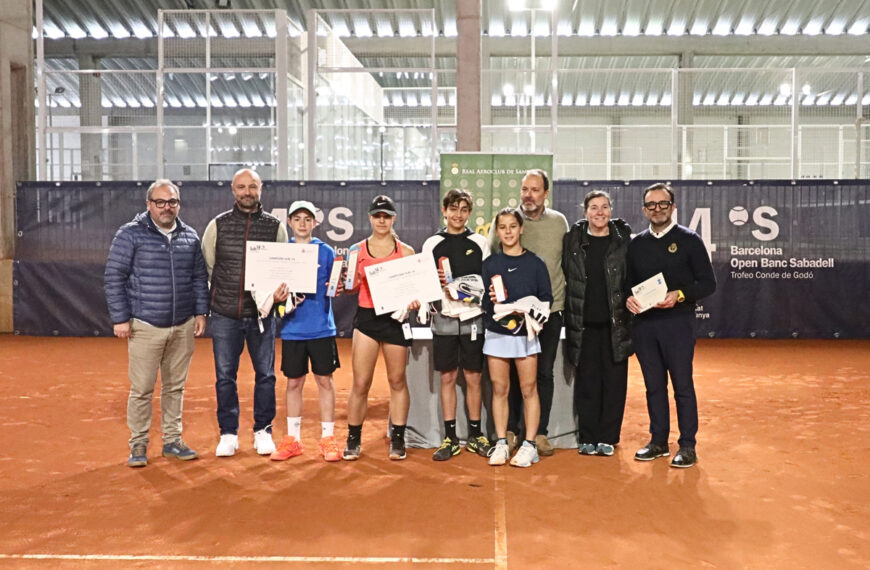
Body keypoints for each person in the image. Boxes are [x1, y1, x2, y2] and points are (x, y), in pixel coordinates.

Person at [105, 179, 209, 468]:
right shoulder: (129, 235)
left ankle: (172, 440)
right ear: (148, 204)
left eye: (172, 202)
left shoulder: (190, 236)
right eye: (160, 202)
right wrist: (120, 318)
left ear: (178, 204)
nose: (167, 207)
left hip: (183, 324)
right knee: (142, 389)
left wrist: (201, 312)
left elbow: (199, 278)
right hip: (145, 325)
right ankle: (138, 443)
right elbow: (114, 277)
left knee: (175, 387)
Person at [626, 183, 716, 469]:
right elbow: (627, 284)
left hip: (678, 324)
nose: (657, 209)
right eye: (651, 205)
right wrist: (628, 299)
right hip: (645, 326)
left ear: (672, 207)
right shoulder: (636, 244)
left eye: (663, 204)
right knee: (654, 386)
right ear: (644, 210)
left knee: (682, 386)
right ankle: (658, 441)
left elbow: (707, 283)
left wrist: (677, 295)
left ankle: (687, 445)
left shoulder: (689, 240)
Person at [202, 168, 289, 457]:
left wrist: (274, 299)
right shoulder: (217, 225)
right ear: (233, 190)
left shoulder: (275, 227)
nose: (247, 192)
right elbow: (210, 268)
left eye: (252, 186)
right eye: (241, 187)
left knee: (265, 375)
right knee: (225, 376)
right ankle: (228, 433)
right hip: (225, 315)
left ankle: (263, 430)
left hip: (262, 317)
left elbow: (282, 271)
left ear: (260, 189)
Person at [487, 169, 568, 455]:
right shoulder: (507, 221)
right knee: (508, 374)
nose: (528, 195)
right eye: (524, 189)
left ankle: (539, 433)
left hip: (550, 311)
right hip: (509, 318)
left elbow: (565, 263)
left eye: (535, 190)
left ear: (546, 193)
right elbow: (491, 266)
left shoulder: (559, 222)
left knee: (542, 374)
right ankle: (508, 431)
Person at [343, 195, 420, 461]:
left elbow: (415, 291)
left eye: (387, 216)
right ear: (370, 218)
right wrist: (346, 279)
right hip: (367, 320)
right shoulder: (356, 251)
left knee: (397, 380)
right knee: (361, 382)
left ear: (394, 218)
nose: (382, 220)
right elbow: (350, 288)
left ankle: (398, 438)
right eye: (377, 216)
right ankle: (353, 439)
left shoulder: (406, 252)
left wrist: (413, 300)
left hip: (395, 320)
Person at [421, 189, 492, 461]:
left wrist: (467, 293)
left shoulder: (480, 243)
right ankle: (450, 437)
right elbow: (423, 284)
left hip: (473, 320)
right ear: (444, 210)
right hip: (444, 320)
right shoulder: (431, 244)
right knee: (448, 377)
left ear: (470, 213)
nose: (458, 214)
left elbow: (486, 284)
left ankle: (475, 435)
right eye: (453, 208)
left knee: (474, 377)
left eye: (463, 209)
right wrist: (435, 284)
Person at [270, 200, 342, 463]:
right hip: (292, 330)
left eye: (307, 219)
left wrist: (336, 285)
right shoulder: (281, 252)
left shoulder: (326, 252)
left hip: (322, 329)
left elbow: (335, 287)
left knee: (325, 381)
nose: (302, 223)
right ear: (289, 222)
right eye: (297, 218)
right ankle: (293, 439)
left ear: (314, 222)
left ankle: (328, 437)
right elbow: (272, 293)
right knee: (294, 383)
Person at [562, 190, 632, 457]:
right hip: (583, 325)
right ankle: (588, 436)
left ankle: (608, 437)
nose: (599, 212)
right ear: (585, 212)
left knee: (614, 384)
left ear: (610, 211)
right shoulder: (573, 241)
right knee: (587, 383)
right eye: (594, 207)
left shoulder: (622, 241)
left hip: (616, 325)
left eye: (604, 207)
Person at [482, 208, 553, 468]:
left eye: (513, 226)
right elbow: (485, 304)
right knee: (499, 389)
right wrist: (492, 302)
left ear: (521, 229)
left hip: (526, 335)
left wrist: (531, 312)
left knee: (528, 389)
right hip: (497, 334)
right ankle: (501, 442)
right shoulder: (490, 264)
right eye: (503, 227)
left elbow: (547, 299)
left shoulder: (536, 263)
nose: (509, 231)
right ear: (498, 231)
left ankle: (530, 445)